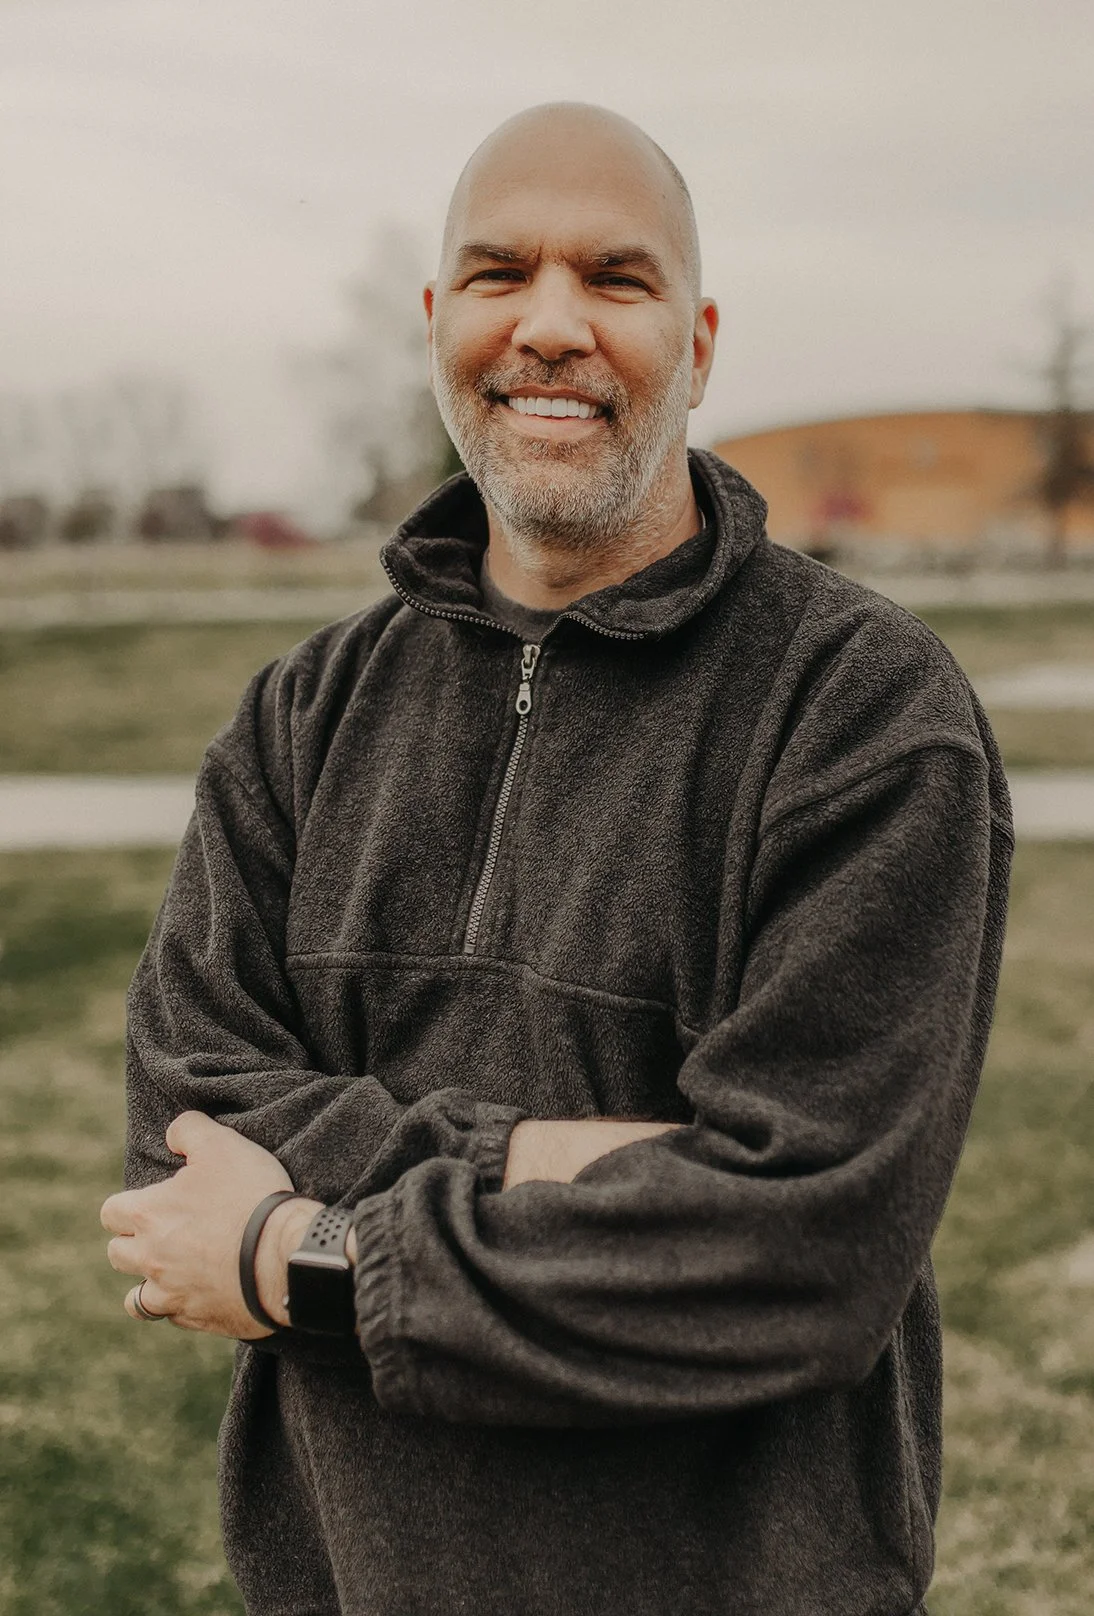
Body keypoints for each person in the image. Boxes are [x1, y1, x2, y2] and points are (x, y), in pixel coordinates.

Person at [100, 102, 1013, 1616]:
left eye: (615, 277)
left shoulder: (861, 711)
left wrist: (296, 1259)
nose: (549, 325)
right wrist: (567, 1159)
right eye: (498, 272)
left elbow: (802, 1249)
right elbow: (181, 1132)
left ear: (698, 347)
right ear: (437, 320)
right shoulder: (301, 717)